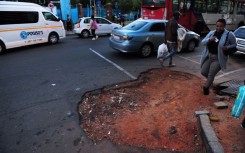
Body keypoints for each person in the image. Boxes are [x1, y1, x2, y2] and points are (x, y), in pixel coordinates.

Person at [200, 19, 237, 95]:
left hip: (218, 59)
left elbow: (234, 45)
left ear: (224, 26)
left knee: (211, 74)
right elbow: (202, 42)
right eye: (217, 26)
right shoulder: (211, 33)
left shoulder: (229, 34)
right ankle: (210, 81)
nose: (218, 28)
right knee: (203, 72)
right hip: (209, 56)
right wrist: (210, 39)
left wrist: (227, 47)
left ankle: (206, 90)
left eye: (221, 26)